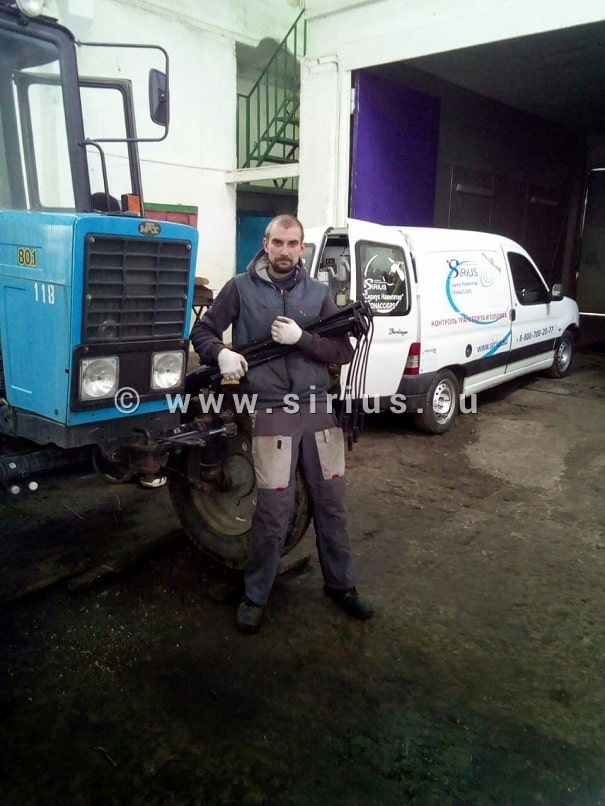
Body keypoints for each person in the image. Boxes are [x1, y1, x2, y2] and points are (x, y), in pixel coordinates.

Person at [190, 214, 374, 634]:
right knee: (274, 509)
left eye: (293, 244)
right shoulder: (239, 288)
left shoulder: (318, 293)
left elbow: (342, 351)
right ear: (266, 244)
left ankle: (341, 585)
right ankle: (256, 595)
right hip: (272, 410)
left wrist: (302, 339)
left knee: (331, 503)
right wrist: (221, 353)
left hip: (318, 410)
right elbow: (203, 332)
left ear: (302, 248)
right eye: (278, 243)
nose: (285, 251)